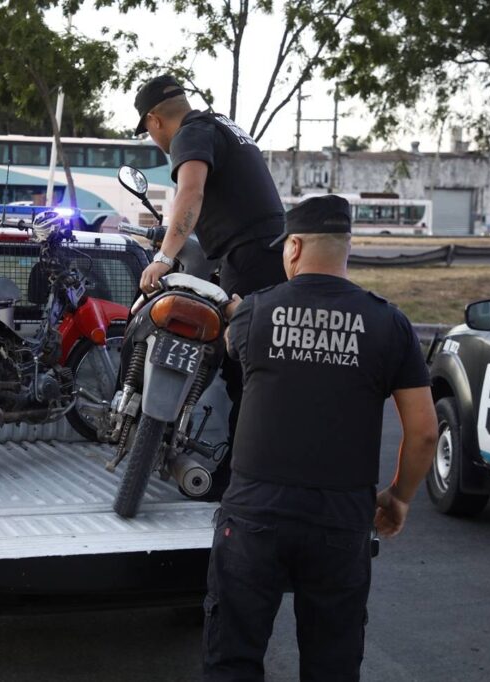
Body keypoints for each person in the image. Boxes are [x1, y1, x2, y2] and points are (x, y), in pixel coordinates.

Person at [202, 195, 439, 681]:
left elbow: (231, 345)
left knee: (233, 658)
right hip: (340, 518)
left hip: (254, 514)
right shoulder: (389, 323)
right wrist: (398, 497)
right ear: (346, 249)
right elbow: (424, 433)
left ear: (293, 247)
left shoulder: (255, 314)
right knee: (332, 663)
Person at [132, 75, 289, 491]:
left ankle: (235, 480)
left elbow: (191, 192)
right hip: (272, 255)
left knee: (244, 370)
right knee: (251, 367)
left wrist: (165, 257)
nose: (153, 138)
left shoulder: (191, 133)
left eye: (147, 130)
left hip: (252, 258)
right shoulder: (221, 125)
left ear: (154, 120)